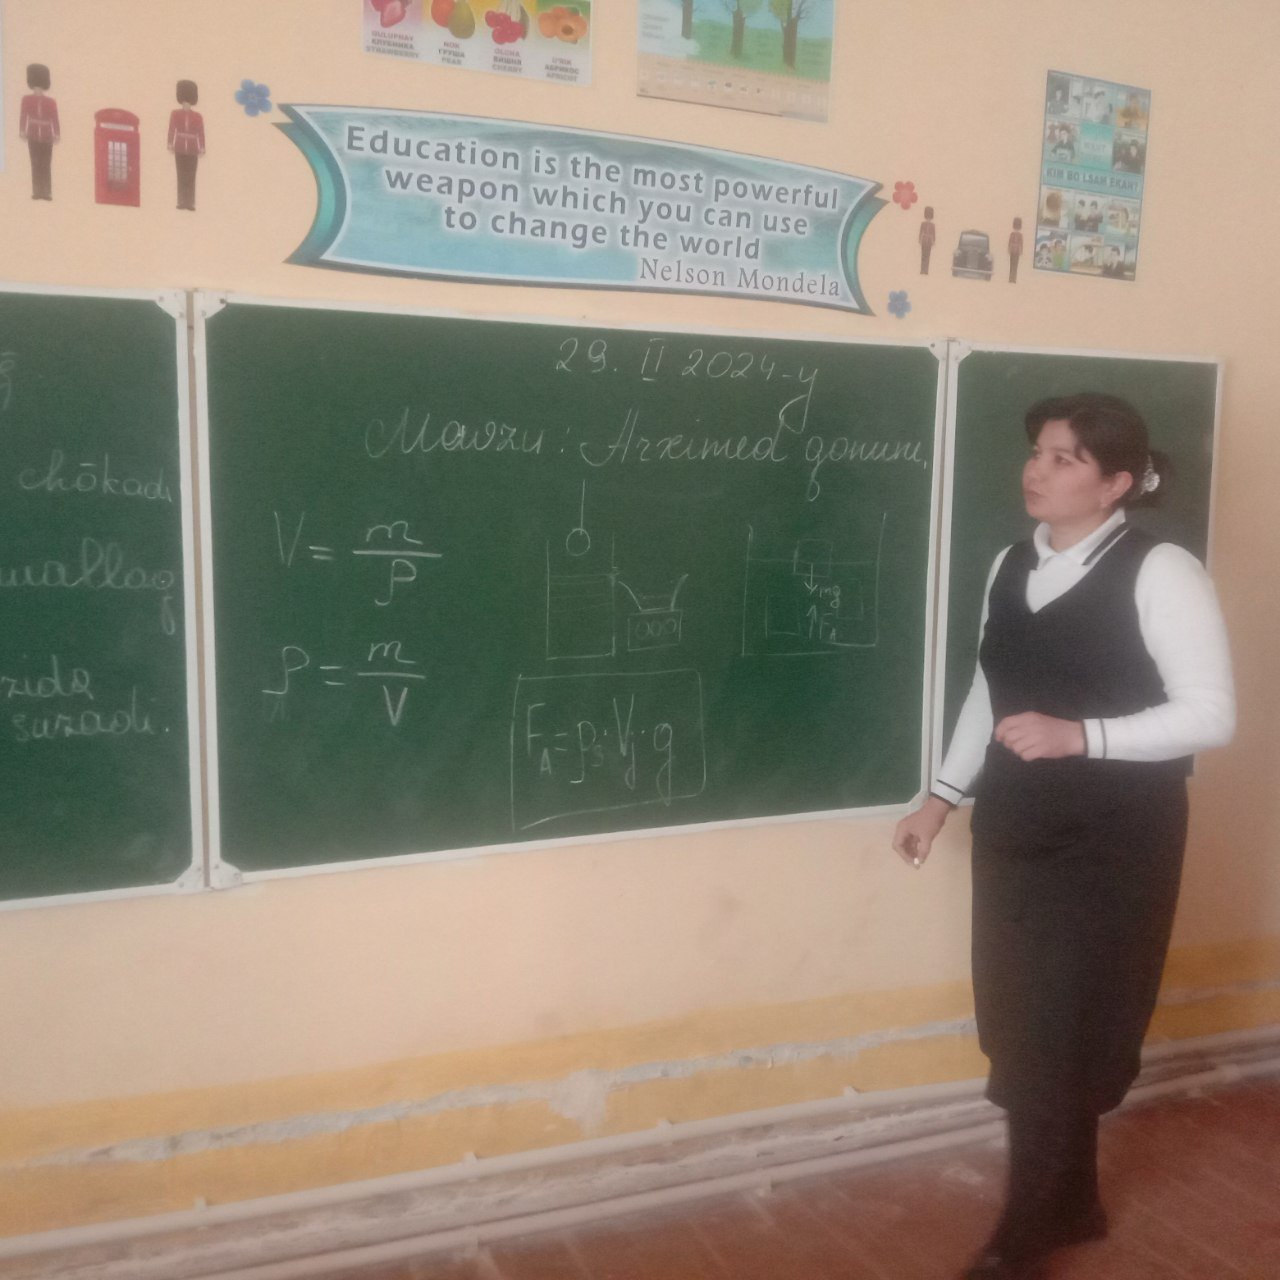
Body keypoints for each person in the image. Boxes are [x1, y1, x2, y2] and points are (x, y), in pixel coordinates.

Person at [892, 394, 1234, 1280]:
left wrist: (1083, 735)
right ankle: (1073, 1201)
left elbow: (1211, 715)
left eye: (1063, 458)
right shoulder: (1012, 563)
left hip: (1115, 839)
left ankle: (1021, 1233)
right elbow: (990, 692)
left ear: (1116, 483)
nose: (1035, 471)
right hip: (1017, 826)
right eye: (1037, 452)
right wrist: (940, 797)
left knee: (1066, 1024)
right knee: (1022, 1021)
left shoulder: (1162, 571)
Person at [19, 63, 59, 201]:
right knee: (35, 164)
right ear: (32, 86)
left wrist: (56, 133)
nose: (37, 90)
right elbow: (23, 115)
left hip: (47, 137)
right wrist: (22, 130)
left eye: (39, 87)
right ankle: (37, 191)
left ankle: (46, 192)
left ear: (43, 86)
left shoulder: (51, 102)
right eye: (35, 87)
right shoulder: (26, 100)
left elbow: (54, 118)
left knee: (46, 164)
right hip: (33, 135)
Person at [168, 79, 206, 212]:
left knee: (191, 176)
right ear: (181, 101)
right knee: (181, 175)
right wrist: (170, 143)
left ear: (192, 102)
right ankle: (181, 201)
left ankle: (190, 202)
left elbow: (200, 132)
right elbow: (172, 129)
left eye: (188, 103)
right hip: (179, 148)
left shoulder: (198, 116)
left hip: (192, 149)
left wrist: (202, 147)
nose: (186, 105)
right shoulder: (174, 114)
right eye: (184, 102)